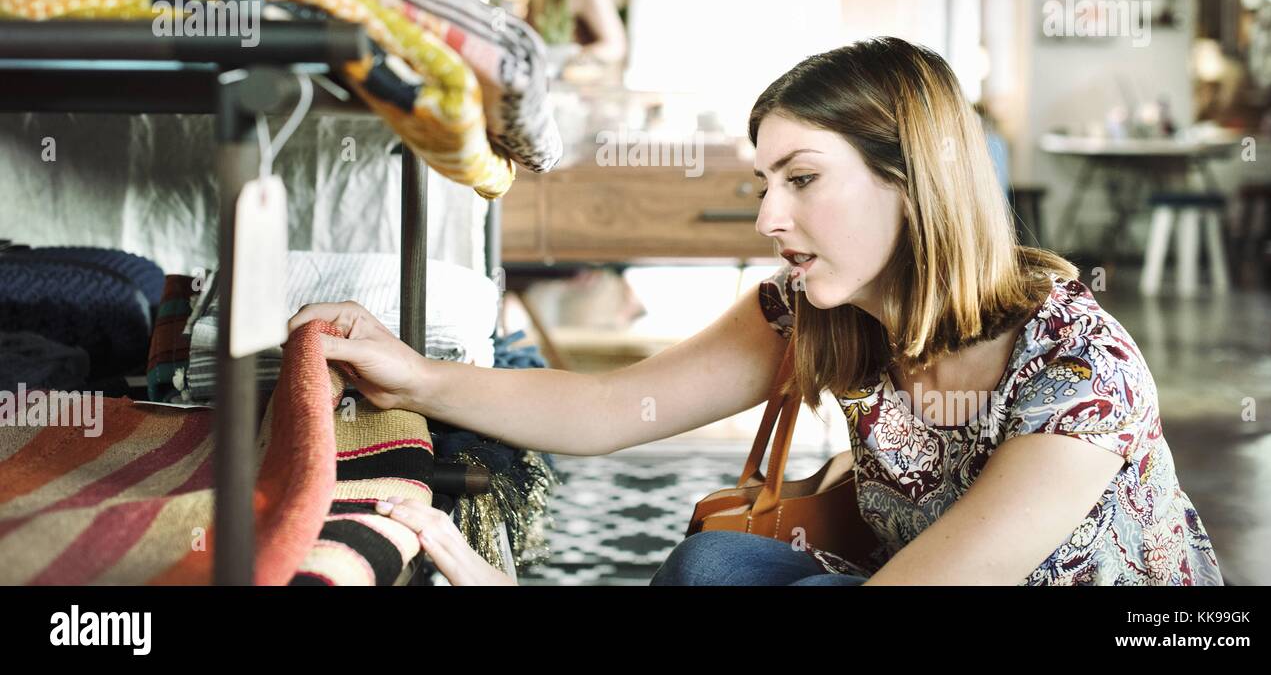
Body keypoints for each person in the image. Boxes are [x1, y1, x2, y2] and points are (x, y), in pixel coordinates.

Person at [289, 38, 1223, 586]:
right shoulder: (814, 309)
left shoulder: (1078, 376)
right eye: (766, 182)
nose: (770, 216)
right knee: (712, 569)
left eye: (804, 179)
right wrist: (416, 373)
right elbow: (618, 409)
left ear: (914, 183)